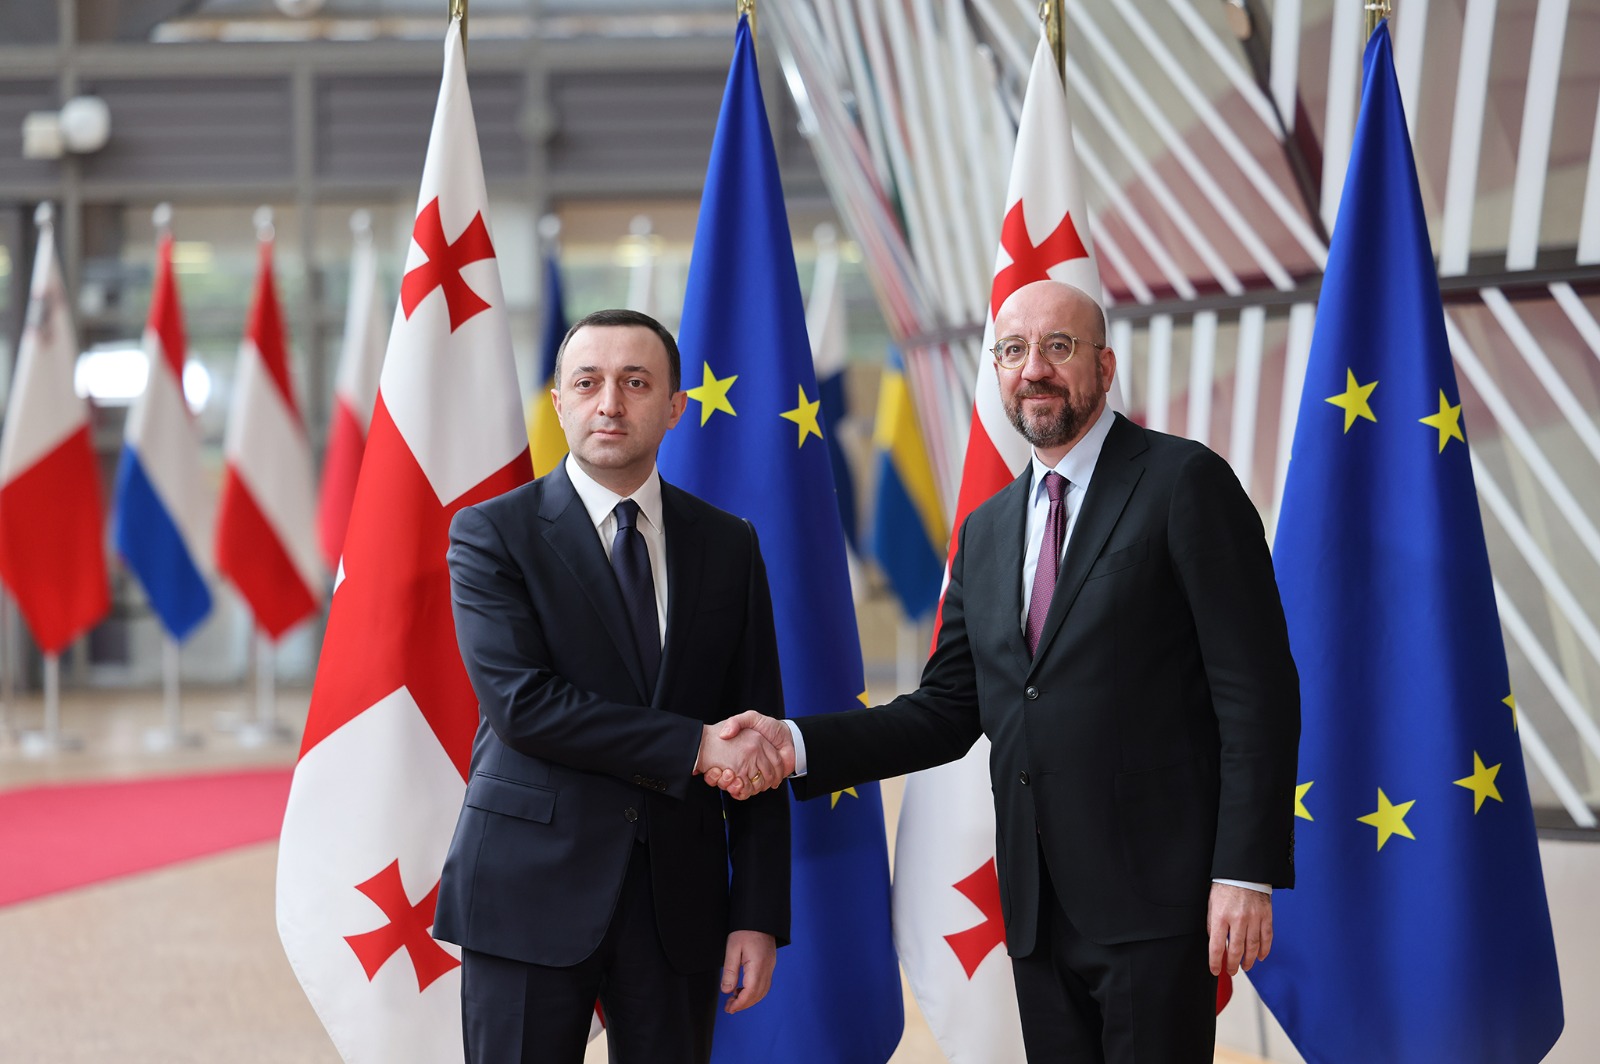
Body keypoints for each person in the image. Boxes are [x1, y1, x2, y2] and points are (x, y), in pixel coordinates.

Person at [709, 280, 1300, 1062]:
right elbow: (946, 710)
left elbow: (1256, 693)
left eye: (1058, 346)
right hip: (1035, 906)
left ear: (1104, 366)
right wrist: (793, 744)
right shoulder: (986, 531)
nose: (1034, 369)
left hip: (1158, 902)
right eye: (1013, 350)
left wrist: (1244, 872)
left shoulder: (1183, 483)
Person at [434, 308, 791, 1064]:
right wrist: (695, 746)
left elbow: (758, 731)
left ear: (675, 406)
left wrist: (757, 912)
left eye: (635, 383)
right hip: (527, 888)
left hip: (679, 901)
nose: (609, 404)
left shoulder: (728, 543)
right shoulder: (492, 534)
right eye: (587, 382)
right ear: (557, 402)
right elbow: (524, 706)